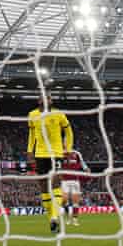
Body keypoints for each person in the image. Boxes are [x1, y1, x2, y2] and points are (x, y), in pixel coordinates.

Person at [27, 93, 73, 233]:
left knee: (55, 183)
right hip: (40, 154)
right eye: (45, 97)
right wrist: (29, 151)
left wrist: (68, 148)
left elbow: (69, 131)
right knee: (43, 187)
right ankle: (52, 220)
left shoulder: (59, 114)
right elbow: (32, 134)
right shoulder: (32, 115)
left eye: (50, 98)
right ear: (39, 100)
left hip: (56, 154)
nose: (48, 100)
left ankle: (54, 216)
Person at [60, 150, 89, 226]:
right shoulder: (61, 153)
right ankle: (68, 217)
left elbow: (82, 163)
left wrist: (86, 169)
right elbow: (58, 164)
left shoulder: (76, 153)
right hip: (64, 181)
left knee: (75, 201)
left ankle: (75, 219)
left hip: (75, 181)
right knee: (64, 200)